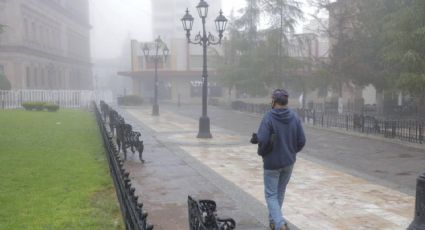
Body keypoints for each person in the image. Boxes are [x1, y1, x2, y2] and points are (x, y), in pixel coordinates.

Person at [252, 89, 306, 230]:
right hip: (288, 162)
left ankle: (279, 223)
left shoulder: (268, 117)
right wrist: (291, 152)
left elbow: (263, 140)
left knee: (271, 195)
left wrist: (257, 141)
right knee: (279, 192)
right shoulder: (294, 117)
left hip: (271, 163)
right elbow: (302, 140)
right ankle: (274, 221)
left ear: (274, 101)